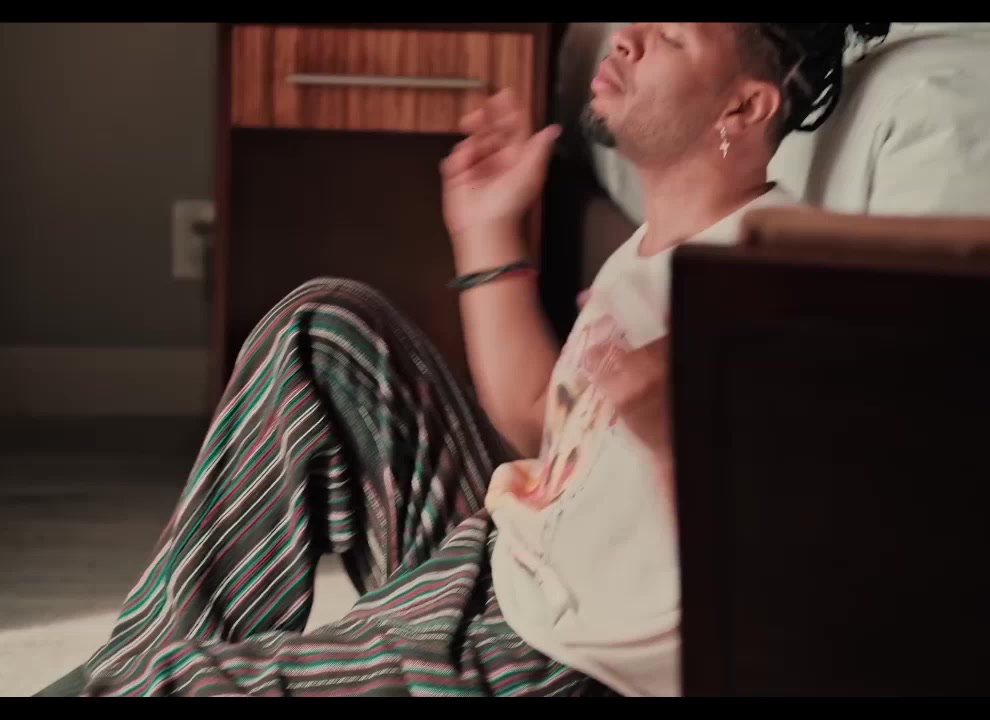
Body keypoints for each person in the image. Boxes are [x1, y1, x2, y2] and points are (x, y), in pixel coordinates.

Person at [47, 22, 888, 697]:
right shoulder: (658, 248)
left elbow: (778, 571)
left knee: (173, 686)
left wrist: (677, 421)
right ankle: (128, 667)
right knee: (323, 332)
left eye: (669, 35)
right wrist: (487, 229)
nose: (625, 39)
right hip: (497, 561)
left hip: (555, 657)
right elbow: (542, 424)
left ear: (743, 108)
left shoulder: (759, 280)